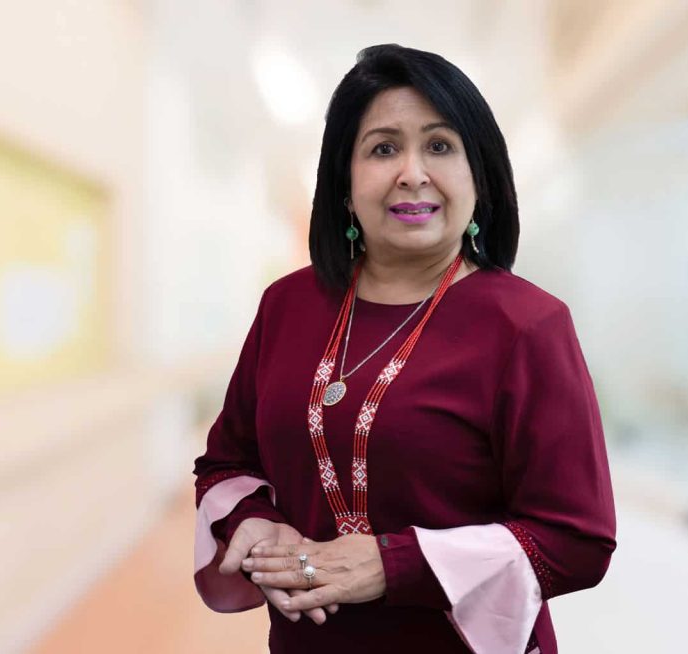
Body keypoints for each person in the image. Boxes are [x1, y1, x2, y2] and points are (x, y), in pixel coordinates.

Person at [192, 44, 616, 654]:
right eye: (383, 148)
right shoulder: (287, 306)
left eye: (440, 146)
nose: (411, 172)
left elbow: (578, 540)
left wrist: (394, 565)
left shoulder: (528, 324)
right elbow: (225, 464)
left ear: (480, 176)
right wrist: (253, 524)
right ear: (344, 180)